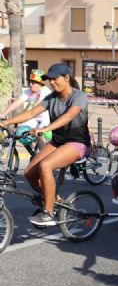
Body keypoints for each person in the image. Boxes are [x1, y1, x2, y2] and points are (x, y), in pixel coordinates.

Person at [0, 64, 91, 226]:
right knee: (29, 173)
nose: (52, 83)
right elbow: (30, 113)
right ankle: (53, 198)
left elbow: (70, 116)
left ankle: (48, 213)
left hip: (77, 143)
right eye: (50, 80)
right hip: (58, 141)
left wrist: (45, 128)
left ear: (67, 78)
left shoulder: (79, 96)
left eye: (55, 79)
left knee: (46, 166)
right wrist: (6, 122)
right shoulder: (51, 98)